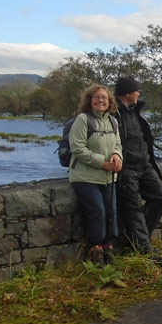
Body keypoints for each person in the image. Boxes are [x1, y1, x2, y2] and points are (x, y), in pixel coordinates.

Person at [114, 76, 162, 264]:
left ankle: (136, 241)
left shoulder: (135, 111)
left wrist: (152, 165)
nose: (139, 93)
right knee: (133, 208)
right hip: (126, 169)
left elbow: (144, 140)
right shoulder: (113, 113)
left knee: (160, 197)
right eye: (136, 90)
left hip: (144, 165)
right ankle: (145, 251)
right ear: (127, 93)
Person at [69, 84, 123, 266]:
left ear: (110, 102)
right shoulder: (83, 120)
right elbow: (77, 149)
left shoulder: (113, 121)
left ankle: (109, 248)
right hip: (85, 177)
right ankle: (96, 251)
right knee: (97, 212)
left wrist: (117, 156)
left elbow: (118, 144)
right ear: (89, 101)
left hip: (108, 177)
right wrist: (103, 163)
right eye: (97, 98)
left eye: (104, 98)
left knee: (111, 212)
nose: (101, 101)